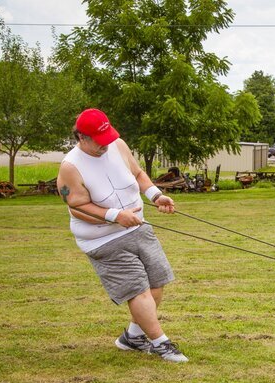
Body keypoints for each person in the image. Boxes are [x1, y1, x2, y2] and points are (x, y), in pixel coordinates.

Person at [57, 108, 188, 363]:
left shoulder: (117, 145)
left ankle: (132, 336)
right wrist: (115, 215)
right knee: (138, 290)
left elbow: (138, 174)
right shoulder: (71, 167)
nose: (105, 145)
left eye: (108, 138)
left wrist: (156, 196)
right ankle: (161, 343)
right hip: (103, 239)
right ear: (82, 137)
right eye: (99, 141)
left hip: (138, 226)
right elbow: (77, 206)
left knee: (156, 282)